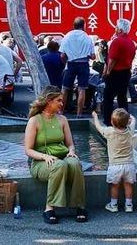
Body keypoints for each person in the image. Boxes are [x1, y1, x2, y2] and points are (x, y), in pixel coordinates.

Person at [24, 86, 87, 224]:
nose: (62, 104)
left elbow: (70, 144)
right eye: (59, 100)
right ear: (48, 101)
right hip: (40, 161)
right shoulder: (34, 121)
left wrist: (71, 152)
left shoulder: (62, 119)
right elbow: (28, 150)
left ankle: (79, 205)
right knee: (59, 165)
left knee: (75, 164)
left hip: (62, 156)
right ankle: (49, 207)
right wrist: (44, 156)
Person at [92, 108, 137, 213]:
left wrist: (95, 117)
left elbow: (98, 127)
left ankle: (113, 205)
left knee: (114, 186)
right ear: (127, 122)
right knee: (128, 184)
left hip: (115, 166)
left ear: (112, 122)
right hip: (129, 165)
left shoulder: (109, 131)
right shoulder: (130, 131)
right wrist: (132, 118)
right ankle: (129, 205)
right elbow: (133, 121)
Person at [59, 17, 95, 117]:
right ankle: (79, 114)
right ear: (84, 25)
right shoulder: (87, 37)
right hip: (83, 64)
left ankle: (60, 111)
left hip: (70, 64)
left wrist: (65, 62)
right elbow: (92, 56)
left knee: (65, 89)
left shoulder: (67, 36)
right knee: (82, 89)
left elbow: (62, 55)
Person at [102, 19, 135, 126]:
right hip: (126, 72)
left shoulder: (117, 41)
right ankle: (123, 121)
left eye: (116, 27)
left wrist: (107, 72)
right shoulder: (131, 42)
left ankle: (108, 121)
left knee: (108, 98)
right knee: (122, 98)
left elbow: (112, 60)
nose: (115, 29)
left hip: (116, 72)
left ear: (120, 30)